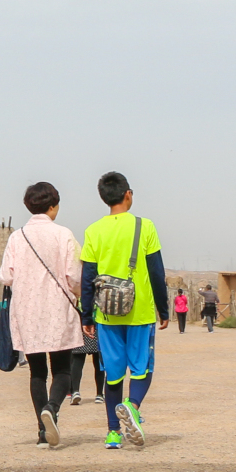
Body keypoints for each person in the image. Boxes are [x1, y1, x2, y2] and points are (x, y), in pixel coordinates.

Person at [77, 171, 168, 450]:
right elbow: (156, 270)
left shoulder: (93, 231)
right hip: (139, 311)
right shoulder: (145, 226)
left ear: (104, 198)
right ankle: (133, 405)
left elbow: (87, 276)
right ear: (128, 194)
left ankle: (113, 434)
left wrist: (87, 316)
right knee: (142, 368)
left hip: (106, 314)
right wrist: (163, 309)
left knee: (112, 373)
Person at [0, 181, 82, 449]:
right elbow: (74, 276)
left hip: (27, 311)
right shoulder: (64, 234)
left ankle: (42, 432)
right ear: (53, 205)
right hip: (58, 308)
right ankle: (52, 408)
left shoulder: (16, 237)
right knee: (62, 369)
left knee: (36, 372)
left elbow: (5, 277)